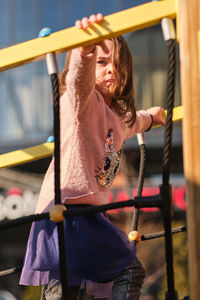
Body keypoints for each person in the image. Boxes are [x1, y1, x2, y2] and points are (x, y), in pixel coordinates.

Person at [20, 13, 166, 300]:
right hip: (65, 210)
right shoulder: (82, 103)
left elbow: (134, 121)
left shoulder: (118, 118)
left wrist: (153, 116)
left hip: (88, 214)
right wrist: (84, 52)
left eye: (118, 65)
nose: (111, 71)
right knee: (112, 274)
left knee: (71, 287)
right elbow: (78, 84)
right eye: (102, 62)